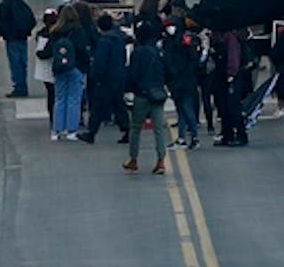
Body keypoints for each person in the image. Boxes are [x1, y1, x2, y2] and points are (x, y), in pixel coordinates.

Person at [122, 20, 172, 174]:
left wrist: (128, 89)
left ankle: (133, 159)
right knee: (159, 128)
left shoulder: (138, 53)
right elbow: (169, 71)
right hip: (157, 93)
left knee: (136, 128)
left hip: (142, 94)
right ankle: (161, 160)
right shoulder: (160, 52)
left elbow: (133, 75)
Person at [79, 13, 131, 144]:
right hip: (118, 75)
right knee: (119, 104)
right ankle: (127, 130)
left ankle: (91, 133)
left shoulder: (104, 41)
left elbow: (100, 62)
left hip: (106, 78)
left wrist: (95, 76)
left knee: (98, 106)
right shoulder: (119, 39)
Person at [41, 6, 90, 141]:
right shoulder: (79, 31)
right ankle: (71, 130)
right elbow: (83, 50)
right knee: (74, 99)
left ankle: (57, 130)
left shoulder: (55, 31)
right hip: (76, 67)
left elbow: (48, 50)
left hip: (59, 69)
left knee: (60, 98)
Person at [164, 14, 202, 150]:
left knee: (186, 108)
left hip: (185, 80)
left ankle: (194, 137)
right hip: (177, 81)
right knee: (181, 110)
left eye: (171, 25)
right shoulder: (169, 41)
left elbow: (193, 60)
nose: (170, 29)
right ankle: (182, 138)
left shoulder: (185, 40)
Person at [0, 0, 36, 98]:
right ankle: (23, 85)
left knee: (15, 63)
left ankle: (19, 86)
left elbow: (1, 22)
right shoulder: (21, 3)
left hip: (11, 39)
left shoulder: (3, 5)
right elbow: (31, 19)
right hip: (22, 38)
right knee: (23, 62)